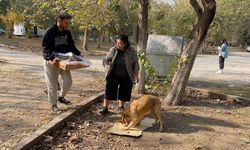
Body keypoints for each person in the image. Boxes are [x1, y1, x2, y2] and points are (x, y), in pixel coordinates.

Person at [42, 12, 82, 113]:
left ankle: (61, 96)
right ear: (59, 21)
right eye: (66, 23)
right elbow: (45, 49)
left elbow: (71, 46)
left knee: (68, 81)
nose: (67, 25)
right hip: (52, 61)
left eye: (68, 23)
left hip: (64, 61)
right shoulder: (49, 32)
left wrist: (78, 55)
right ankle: (54, 106)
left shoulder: (67, 32)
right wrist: (52, 58)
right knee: (52, 85)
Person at [99, 34, 140, 115]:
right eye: (117, 42)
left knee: (124, 91)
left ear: (125, 43)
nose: (118, 44)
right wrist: (106, 64)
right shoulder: (113, 50)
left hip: (127, 74)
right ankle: (105, 108)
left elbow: (135, 63)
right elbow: (106, 59)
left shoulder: (131, 51)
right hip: (113, 74)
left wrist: (136, 74)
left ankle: (121, 107)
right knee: (109, 89)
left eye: (120, 43)